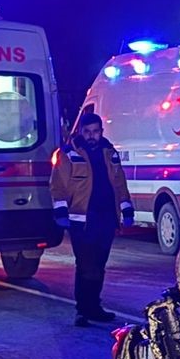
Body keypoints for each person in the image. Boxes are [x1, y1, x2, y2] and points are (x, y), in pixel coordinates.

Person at [51, 110, 133, 328]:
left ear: (101, 132)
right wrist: (60, 213)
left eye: (95, 131)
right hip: (81, 220)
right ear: (81, 132)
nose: (91, 136)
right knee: (86, 264)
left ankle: (94, 307)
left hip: (106, 218)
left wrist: (126, 209)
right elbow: (57, 186)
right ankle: (82, 310)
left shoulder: (110, 153)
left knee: (99, 264)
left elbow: (119, 184)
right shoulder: (68, 154)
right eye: (87, 132)